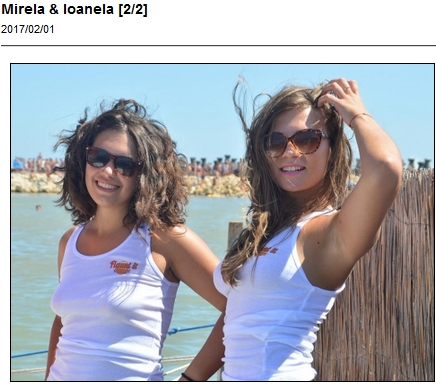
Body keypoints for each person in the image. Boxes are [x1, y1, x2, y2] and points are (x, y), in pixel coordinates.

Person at [180, 78, 403, 381]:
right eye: (276, 142)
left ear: (331, 148)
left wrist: (357, 115)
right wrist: (189, 379)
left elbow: (385, 168)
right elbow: (238, 319)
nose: (290, 151)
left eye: (307, 139)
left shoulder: (327, 233)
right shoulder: (267, 230)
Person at [44, 99, 226, 381]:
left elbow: (240, 307)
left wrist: (191, 379)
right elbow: (65, 321)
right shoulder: (69, 241)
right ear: (84, 160)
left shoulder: (166, 240)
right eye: (98, 157)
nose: (107, 171)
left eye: (125, 164)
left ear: (145, 175)